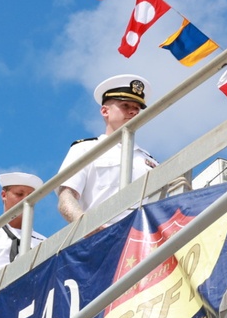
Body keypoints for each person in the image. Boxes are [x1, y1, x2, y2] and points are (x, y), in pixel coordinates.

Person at [57, 74, 159, 226]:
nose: (133, 112)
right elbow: (66, 197)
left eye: (137, 108)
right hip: (102, 237)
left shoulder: (149, 161)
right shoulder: (86, 149)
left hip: (142, 238)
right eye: (125, 106)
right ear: (105, 111)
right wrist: (89, 229)